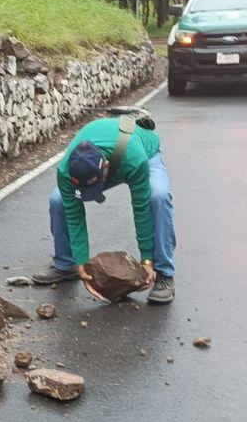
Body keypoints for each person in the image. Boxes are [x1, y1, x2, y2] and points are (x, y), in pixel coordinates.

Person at [32, 112, 176, 304]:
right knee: (58, 200)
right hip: (99, 163)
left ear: (106, 167)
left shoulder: (134, 159)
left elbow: (141, 211)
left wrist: (146, 260)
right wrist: (82, 262)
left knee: (157, 196)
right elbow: (75, 215)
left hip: (142, 152)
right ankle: (66, 265)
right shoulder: (67, 170)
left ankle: (164, 273)